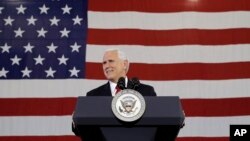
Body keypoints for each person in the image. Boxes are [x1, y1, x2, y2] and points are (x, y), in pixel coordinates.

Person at [72, 48, 157, 141]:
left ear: (124, 64)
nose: (107, 66)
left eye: (111, 61)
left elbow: (156, 125)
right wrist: (76, 120)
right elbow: (82, 131)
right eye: (104, 63)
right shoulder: (93, 95)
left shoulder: (146, 91)